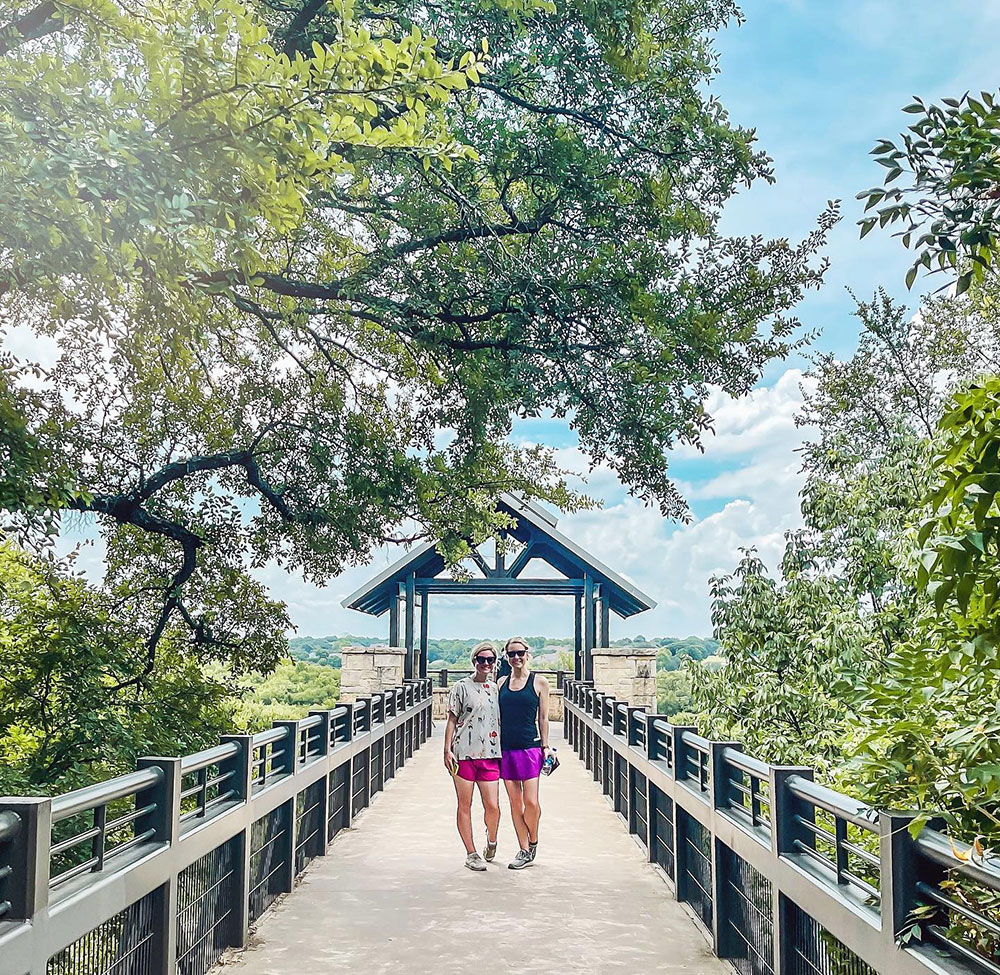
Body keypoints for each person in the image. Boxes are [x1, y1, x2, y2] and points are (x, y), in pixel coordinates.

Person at [443, 641, 502, 871]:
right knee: (464, 804)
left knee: (493, 806)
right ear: (474, 661)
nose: (486, 664)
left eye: (490, 660)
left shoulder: (496, 689)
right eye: (481, 660)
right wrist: (446, 749)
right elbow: (451, 719)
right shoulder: (460, 687)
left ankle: (492, 839)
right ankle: (471, 853)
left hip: (489, 753)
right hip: (463, 754)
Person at [498, 637, 551, 870]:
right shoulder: (500, 683)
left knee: (531, 802)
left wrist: (546, 745)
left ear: (527, 654)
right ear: (506, 657)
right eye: (511, 654)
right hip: (506, 748)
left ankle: (534, 840)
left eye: (520, 653)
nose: (516, 658)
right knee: (515, 802)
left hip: (530, 747)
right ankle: (523, 850)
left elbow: (543, 717)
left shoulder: (539, 682)